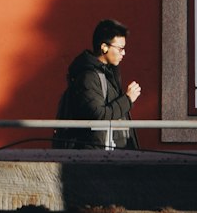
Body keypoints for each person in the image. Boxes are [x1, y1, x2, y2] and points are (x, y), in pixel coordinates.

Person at [54, 18, 141, 150]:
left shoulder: (108, 72)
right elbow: (99, 115)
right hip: (96, 155)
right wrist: (128, 99)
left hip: (109, 152)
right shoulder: (89, 77)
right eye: (120, 48)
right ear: (104, 47)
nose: (124, 53)